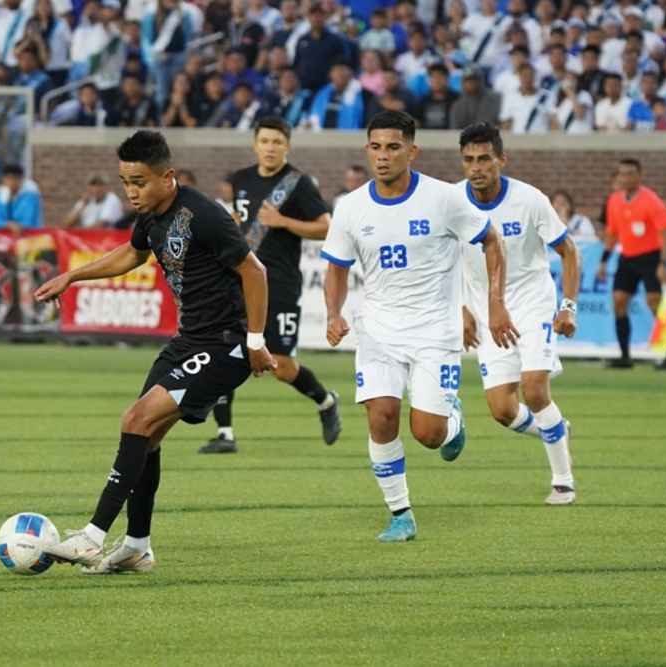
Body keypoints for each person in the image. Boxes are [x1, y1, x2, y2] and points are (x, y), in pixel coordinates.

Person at [33, 130, 275, 572]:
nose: (131, 192)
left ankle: (91, 537)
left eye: (139, 182)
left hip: (224, 345)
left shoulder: (203, 215)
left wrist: (256, 342)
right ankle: (138, 546)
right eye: (126, 182)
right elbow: (132, 254)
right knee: (145, 437)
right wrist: (74, 276)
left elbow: (254, 271)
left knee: (135, 418)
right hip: (187, 342)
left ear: (168, 177)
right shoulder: (150, 216)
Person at [321, 110, 513, 542]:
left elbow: (490, 241)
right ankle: (400, 513)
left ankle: (452, 421)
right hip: (378, 332)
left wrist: (494, 306)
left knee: (428, 434)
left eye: (393, 147)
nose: (383, 156)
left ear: (413, 150)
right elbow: (336, 268)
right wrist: (334, 313)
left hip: (434, 333)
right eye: (375, 147)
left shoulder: (444, 198)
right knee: (382, 416)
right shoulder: (351, 208)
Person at [200, 116, 340, 454]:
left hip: (280, 283)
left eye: (277, 142)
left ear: (287, 146)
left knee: (281, 365)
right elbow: (240, 220)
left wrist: (282, 221)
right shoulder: (241, 179)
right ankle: (225, 434)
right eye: (265, 141)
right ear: (255, 144)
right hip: (242, 279)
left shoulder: (298, 183)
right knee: (225, 349)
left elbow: (325, 227)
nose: (270, 147)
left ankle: (324, 401)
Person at [457, 123, 580, 506]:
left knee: (535, 388)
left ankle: (563, 481)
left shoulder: (530, 200)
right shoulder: (451, 203)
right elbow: (444, 260)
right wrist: (462, 308)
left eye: (484, 159)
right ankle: (555, 427)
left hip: (531, 304)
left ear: (501, 160)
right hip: (485, 310)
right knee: (502, 410)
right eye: (469, 160)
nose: (476, 168)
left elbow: (569, 252)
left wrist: (568, 306)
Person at [597, 158, 666, 370]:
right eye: (622, 174)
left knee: (655, 303)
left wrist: (663, 263)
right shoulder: (614, 200)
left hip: (651, 258)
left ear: (639, 176)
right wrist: (604, 261)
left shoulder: (652, 200)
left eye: (630, 173)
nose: (625, 178)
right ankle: (625, 356)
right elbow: (612, 234)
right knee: (619, 301)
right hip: (627, 258)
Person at [0, 163, 43, 232]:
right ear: (3, 180)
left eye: (15, 178)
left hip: (29, 237)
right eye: (8, 178)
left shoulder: (30, 197)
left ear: (21, 180)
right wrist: (8, 224)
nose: (12, 182)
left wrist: (15, 226)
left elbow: (28, 222)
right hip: (4, 238)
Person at [448, 65, 501, 130]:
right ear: (463, 82)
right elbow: (454, 130)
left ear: (481, 80)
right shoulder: (458, 104)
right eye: (467, 80)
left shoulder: (495, 100)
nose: (471, 83)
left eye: (474, 79)